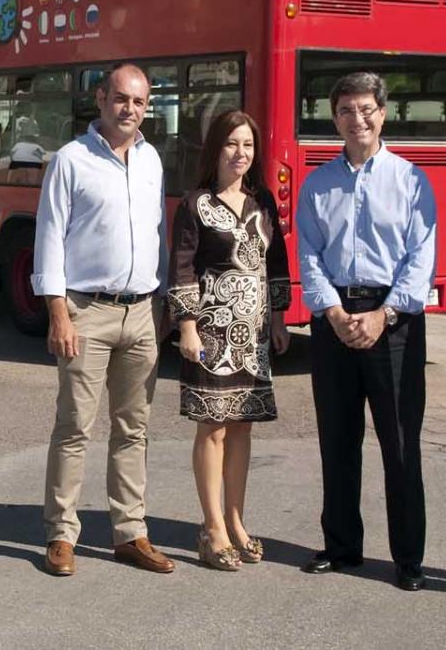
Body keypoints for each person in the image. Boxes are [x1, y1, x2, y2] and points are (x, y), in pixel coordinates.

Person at [32, 62, 174, 577]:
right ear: (101, 99)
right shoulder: (71, 160)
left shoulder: (152, 159)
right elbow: (48, 237)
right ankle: (61, 533)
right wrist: (57, 313)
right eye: (121, 99)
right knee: (74, 427)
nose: (129, 109)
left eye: (139, 102)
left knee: (133, 429)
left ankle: (130, 532)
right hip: (84, 312)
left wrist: (157, 305)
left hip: (139, 312)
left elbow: (156, 233)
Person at [297, 71, 437, 591]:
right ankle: (341, 546)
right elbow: (309, 255)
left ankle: (408, 558)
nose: (357, 118)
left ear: (383, 112)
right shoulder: (317, 184)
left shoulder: (411, 180)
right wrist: (333, 314)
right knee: (337, 439)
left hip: (394, 322)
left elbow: (421, 256)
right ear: (334, 118)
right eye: (346, 110)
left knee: (400, 445)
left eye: (366, 109)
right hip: (334, 319)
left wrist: (384, 314)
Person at [167, 110, 292, 571]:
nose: (241, 154)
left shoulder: (261, 205)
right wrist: (186, 326)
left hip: (254, 334)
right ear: (216, 149)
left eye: (249, 145)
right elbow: (181, 267)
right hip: (210, 331)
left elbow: (276, 263)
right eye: (232, 144)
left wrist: (279, 319)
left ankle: (237, 521)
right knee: (213, 427)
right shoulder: (195, 204)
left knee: (242, 426)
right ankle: (213, 526)